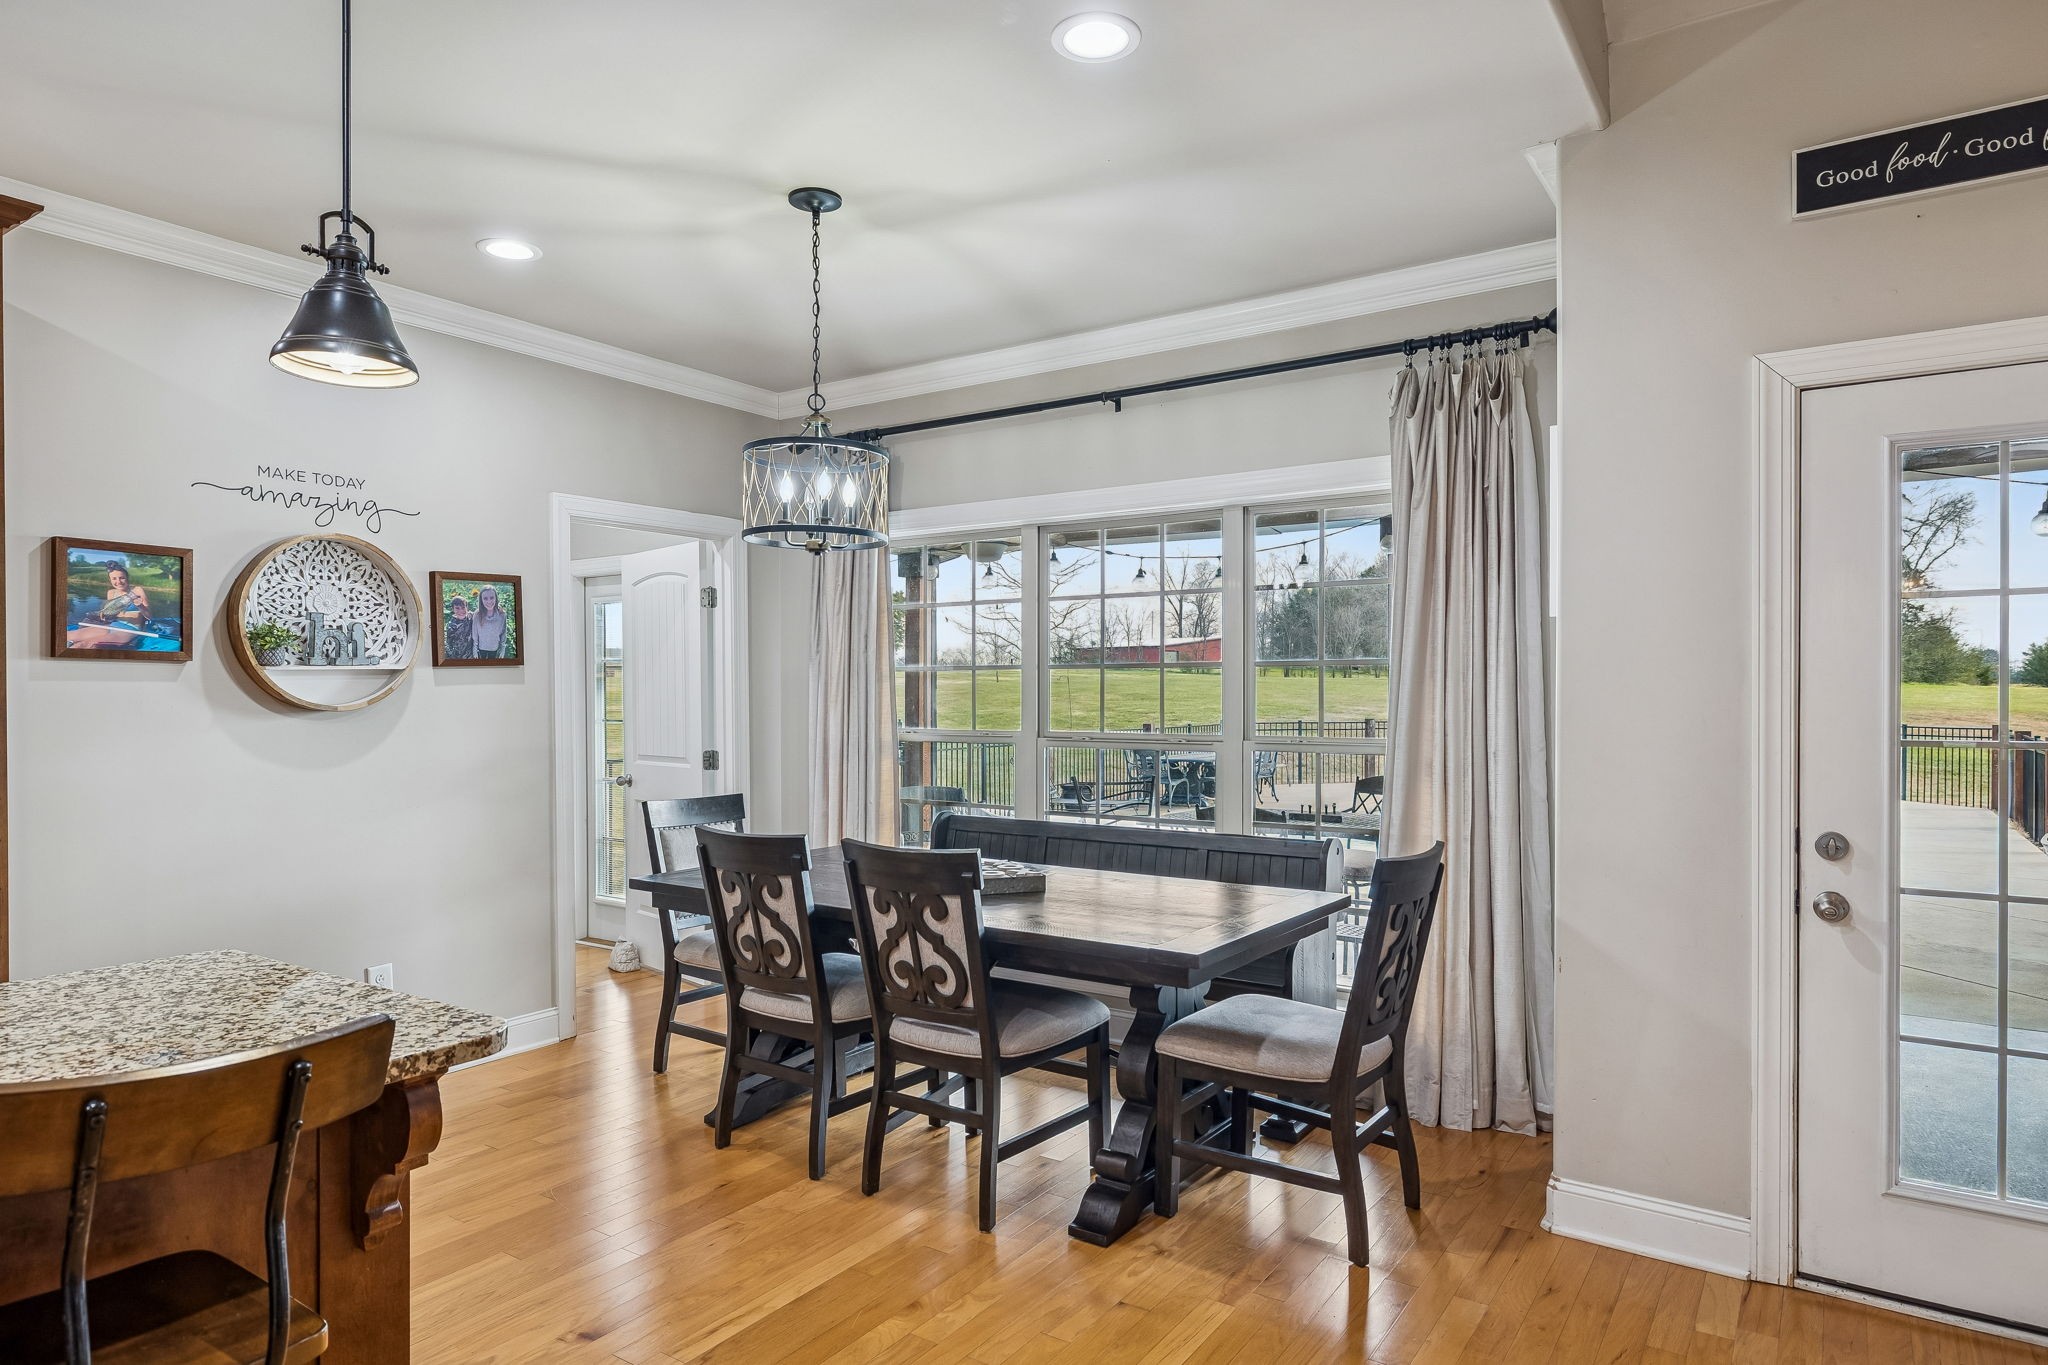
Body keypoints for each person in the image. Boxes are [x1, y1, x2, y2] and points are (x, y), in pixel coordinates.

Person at [67, 562, 152, 650]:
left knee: (86, 644)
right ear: (110, 580)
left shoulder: (137, 590)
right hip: (113, 625)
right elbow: (110, 612)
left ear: (127, 578)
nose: (118, 581)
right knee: (68, 636)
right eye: (114, 578)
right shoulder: (111, 592)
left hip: (130, 629)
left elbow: (149, 616)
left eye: (122, 578)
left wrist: (140, 606)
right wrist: (103, 615)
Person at [472, 584, 509, 659]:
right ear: (481, 600)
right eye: (485, 598)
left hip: (494, 648)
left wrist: (502, 649)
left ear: (496, 598)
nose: (489, 601)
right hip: (481, 649)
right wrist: (475, 650)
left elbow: (503, 633)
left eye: (492, 597)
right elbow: (475, 634)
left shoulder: (502, 615)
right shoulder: (477, 614)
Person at [444, 595, 476, 660]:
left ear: (467, 607)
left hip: (470, 656)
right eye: (457, 608)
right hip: (456, 657)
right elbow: (449, 644)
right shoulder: (451, 625)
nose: (461, 611)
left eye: (463, 607)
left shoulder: (471, 617)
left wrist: (498, 609)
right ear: (452, 609)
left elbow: (482, 613)